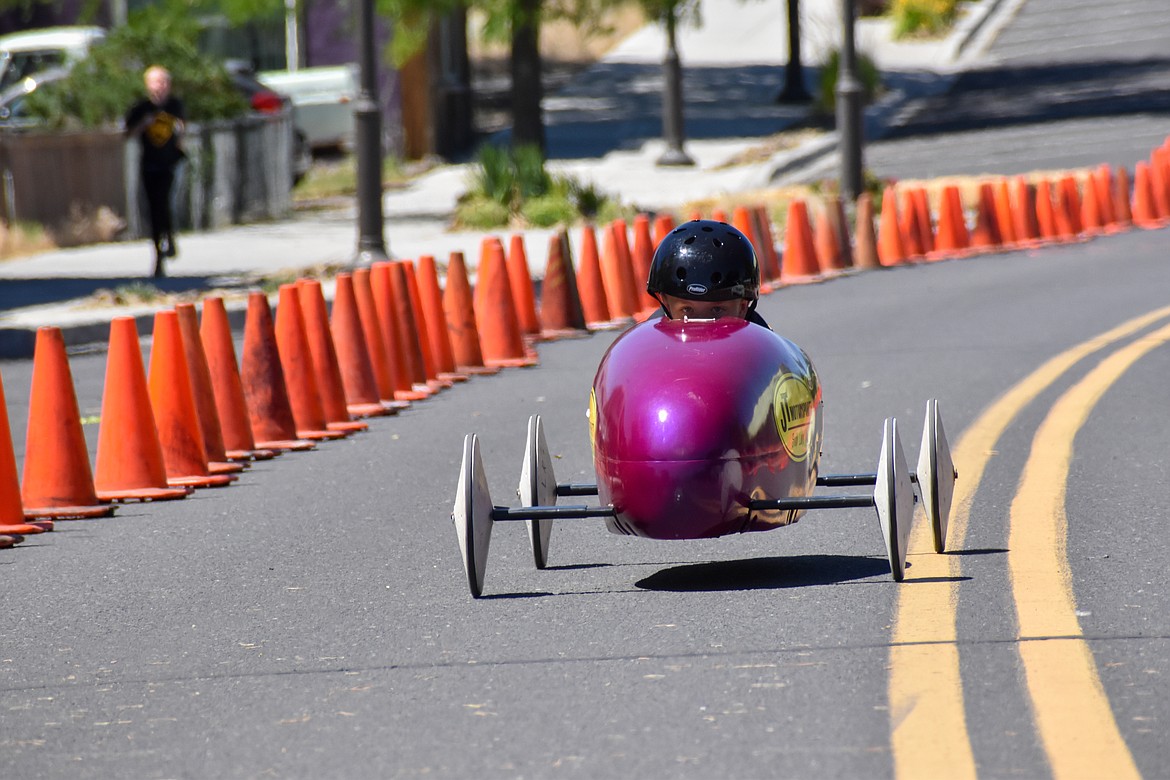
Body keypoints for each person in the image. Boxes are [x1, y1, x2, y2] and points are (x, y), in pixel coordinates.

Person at [645, 219, 771, 329]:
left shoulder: (763, 346)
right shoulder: (646, 343)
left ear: (742, 308)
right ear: (666, 304)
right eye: (687, 309)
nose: (701, 325)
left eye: (716, 310)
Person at [125, 65, 185, 278]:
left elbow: (183, 128)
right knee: (153, 208)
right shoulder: (141, 108)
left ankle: (170, 236)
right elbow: (128, 133)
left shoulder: (175, 105)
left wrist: (180, 135)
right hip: (149, 164)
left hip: (170, 163)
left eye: (163, 82)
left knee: (166, 202)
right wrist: (144, 124)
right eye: (155, 82)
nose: (159, 86)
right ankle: (159, 254)